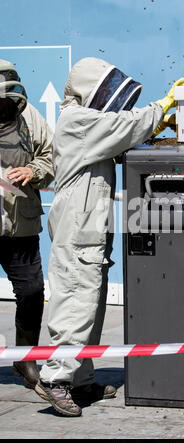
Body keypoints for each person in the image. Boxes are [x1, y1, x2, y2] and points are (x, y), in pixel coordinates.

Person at [34, 57, 184, 417]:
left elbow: (122, 138)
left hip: (88, 226)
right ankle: (56, 379)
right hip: (78, 228)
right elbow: (123, 125)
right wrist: (161, 107)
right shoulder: (77, 122)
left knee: (90, 304)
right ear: (91, 89)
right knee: (75, 303)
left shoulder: (88, 126)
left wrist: (157, 127)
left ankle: (81, 377)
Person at [0, 59, 54, 388]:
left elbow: (50, 155)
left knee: (32, 292)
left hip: (20, 222)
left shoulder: (29, 116)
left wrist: (34, 171)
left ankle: (26, 359)